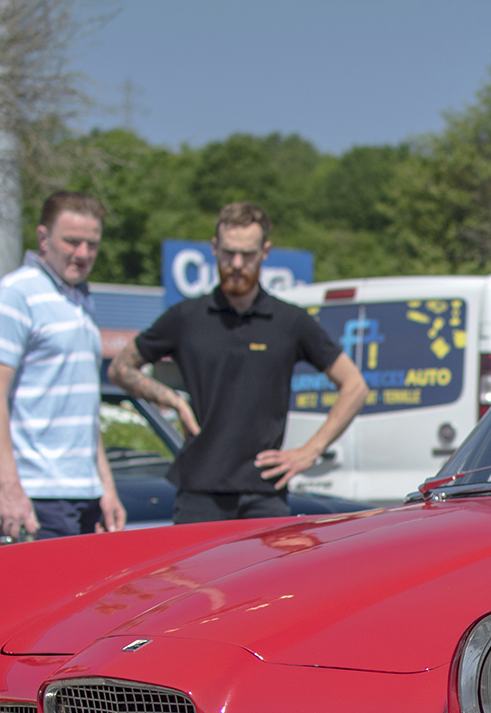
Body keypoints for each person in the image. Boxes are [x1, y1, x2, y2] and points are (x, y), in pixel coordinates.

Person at [108, 201, 368, 523]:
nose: (236, 263)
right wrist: (172, 400)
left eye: (248, 255)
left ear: (265, 252)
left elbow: (354, 386)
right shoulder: (186, 318)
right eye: (228, 253)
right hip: (198, 494)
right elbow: (120, 368)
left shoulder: (289, 322)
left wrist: (309, 452)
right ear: (214, 249)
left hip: (264, 495)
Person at [0, 191, 125, 539]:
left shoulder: (80, 299)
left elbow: (84, 409)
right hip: (37, 495)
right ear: (43, 238)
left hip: (84, 492)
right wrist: (10, 488)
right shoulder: (15, 294)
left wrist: (106, 485)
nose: (83, 254)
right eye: (72, 241)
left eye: (92, 244)